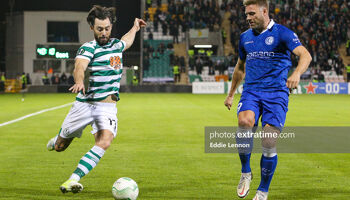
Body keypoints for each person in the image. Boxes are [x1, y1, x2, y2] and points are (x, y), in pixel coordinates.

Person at [46, 5, 146, 194]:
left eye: (107, 28)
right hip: (85, 105)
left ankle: (72, 180)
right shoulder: (88, 48)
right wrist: (78, 81)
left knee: (105, 141)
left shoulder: (116, 45)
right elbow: (80, 67)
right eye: (100, 29)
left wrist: (135, 28)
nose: (104, 32)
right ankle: (56, 140)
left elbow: (126, 41)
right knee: (60, 147)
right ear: (92, 27)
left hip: (107, 108)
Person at [224, 0, 311, 199]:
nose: (248, 18)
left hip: (277, 93)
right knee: (244, 122)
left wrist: (297, 73)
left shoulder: (282, 33)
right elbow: (240, 67)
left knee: (268, 141)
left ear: (265, 11)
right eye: (246, 14)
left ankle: (263, 190)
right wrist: (231, 94)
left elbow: (305, 55)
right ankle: (246, 172)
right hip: (252, 91)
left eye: (252, 14)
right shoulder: (245, 37)